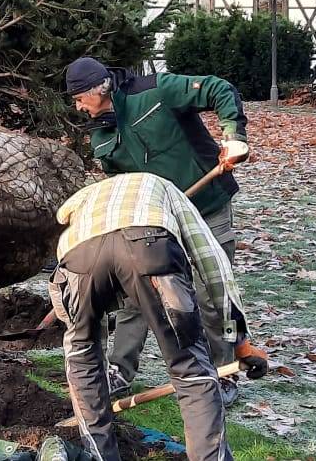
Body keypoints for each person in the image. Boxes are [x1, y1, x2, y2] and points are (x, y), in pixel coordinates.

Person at [48, 172, 268, 461]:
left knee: (83, 361)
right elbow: (214, 268)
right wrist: (239, 341)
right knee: (191, 369)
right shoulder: (167, 188)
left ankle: (98, 456)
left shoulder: (83, 207)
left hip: (78, 259)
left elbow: (83, 332)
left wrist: (84, 338)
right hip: (151, 248)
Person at [65, 56, 248, 395]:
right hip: (156, 221)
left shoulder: (157, 91)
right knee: (135, 292)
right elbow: (121, 185)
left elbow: (219, 88)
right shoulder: (100, 138)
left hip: (206, 206)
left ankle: (225, 373)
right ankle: (119, 372)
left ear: (99, 88)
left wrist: (233, 135)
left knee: (212, 295)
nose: (78, 108)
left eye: (79, 99)